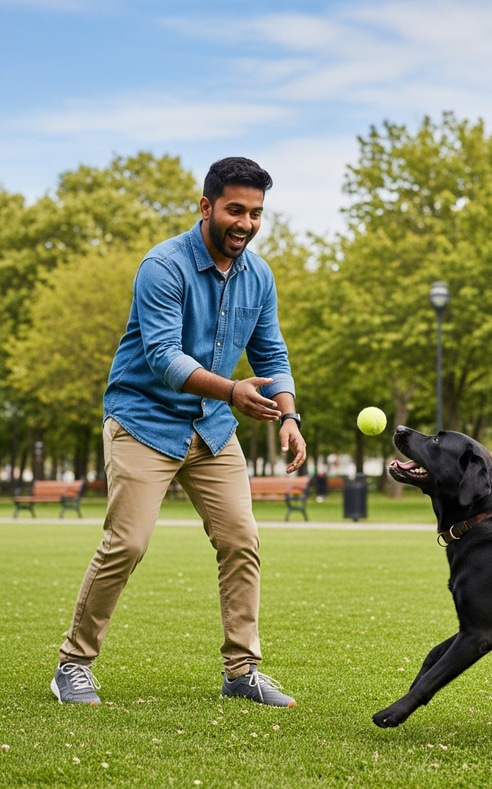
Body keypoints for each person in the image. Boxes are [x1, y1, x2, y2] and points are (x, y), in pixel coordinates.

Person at [51, 156, 306, 707]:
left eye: (256, 213)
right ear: (206, 206)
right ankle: (73, 664)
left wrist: (289, 415)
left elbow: (272, 353)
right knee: (128, 543)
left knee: (241, 540)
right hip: (143, 419)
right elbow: (164, 357)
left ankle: (241, 671)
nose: (245, 223)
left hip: (211, 428)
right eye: (235, 210)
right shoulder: (162, 266)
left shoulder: (258, 276)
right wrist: (233, 391)